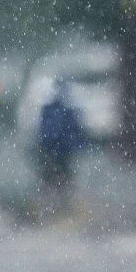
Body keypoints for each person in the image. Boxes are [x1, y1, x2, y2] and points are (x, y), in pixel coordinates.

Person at [36, 78, 85, 211]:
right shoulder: (65, 109)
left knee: (54, 179)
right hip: (59, 150)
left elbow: (42, 131)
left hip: (55, 150)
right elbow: (77, 131)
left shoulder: (51, 108)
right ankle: (59, 205)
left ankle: (55, 205)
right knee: (59, 179)